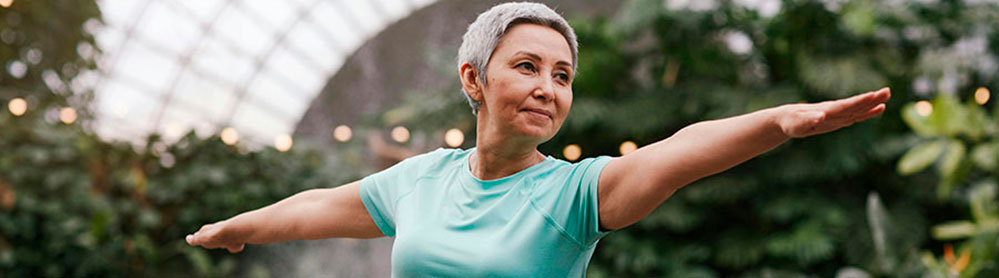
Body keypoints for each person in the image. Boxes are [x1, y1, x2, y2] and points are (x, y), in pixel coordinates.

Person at [186, 2, 891, 277]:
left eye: (561, 74)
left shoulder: (576, 194)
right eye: (527, 67)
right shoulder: (419, 180)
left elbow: (680, 150)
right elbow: (311, 208)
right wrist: (235, 227)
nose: (548, 88)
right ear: (474, 78)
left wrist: (777, 121)